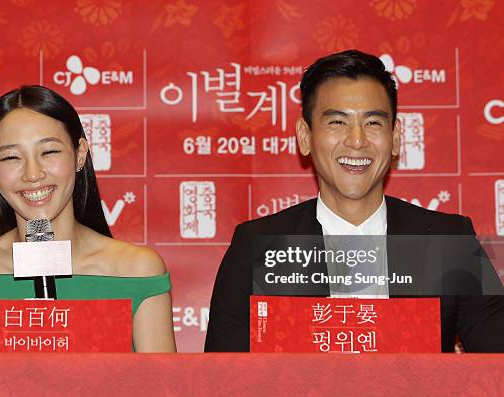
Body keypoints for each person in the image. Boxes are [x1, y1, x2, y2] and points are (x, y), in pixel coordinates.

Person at [205, 50, 504, 352]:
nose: (357, 140)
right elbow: (223, 380)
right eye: (337, 122)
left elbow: (496, 364)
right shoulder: (259, 246)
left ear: (396, 136)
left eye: (373, 123)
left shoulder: (448, 241)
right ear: (305, 136)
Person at [0, 85, 176, 352]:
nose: (33, 174)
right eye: (12, 157)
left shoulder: (136, 271)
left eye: (49, 152)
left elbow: (160, 387)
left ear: (80, 153)